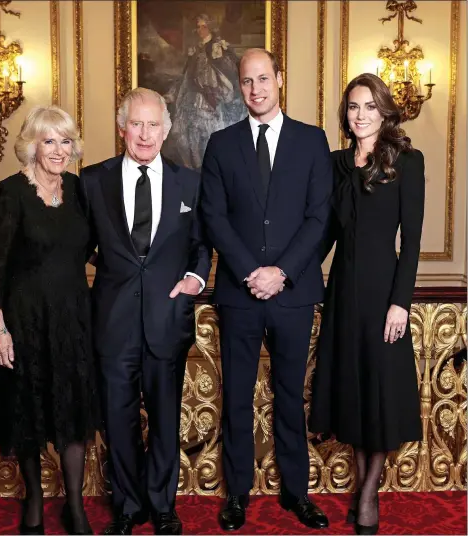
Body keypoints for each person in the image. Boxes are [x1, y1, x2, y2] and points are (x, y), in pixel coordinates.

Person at [200, 48, 332, 531]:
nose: (255, 88)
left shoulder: (312, 141)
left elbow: (320, 218)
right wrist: (250, 272)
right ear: (240, 86)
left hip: (293, 294)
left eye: (263, 78)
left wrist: (282, 273)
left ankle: (296, 493)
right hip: (239, 294)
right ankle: (236, 495)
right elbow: (213, 217)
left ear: (280, 78)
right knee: (235, 396)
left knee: (289, 396)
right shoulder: (221, 143)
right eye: (246, 81)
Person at [79, 88, 211, 536]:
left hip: (166, 320)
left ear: (167, 130)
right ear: (122, 128)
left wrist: (195, 279)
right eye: (136, 123)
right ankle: (128, 506)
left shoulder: (189, 182)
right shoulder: (92, 180)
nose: (145, 133)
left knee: (164, 419)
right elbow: (77, 244)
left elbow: (201, 246)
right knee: (118, 422)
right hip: (113, 324)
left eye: (153, 124)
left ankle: (162, 504)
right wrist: (115, 269)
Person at [309, 73, 425, 535]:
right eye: (353, 107)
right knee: (353, 395)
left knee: (378, 393)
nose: (360, 115)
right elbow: (324, 234)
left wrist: (400, 303)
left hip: (383, 296)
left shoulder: (407, 161)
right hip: (343, 292)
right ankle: (363, 483)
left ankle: (369, 491)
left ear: (384, 111)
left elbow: (412, 242)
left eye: (369, 107)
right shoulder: (336, 163)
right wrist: (286, 273)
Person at [0, 105, 99, 535]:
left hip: (72, 318)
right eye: (49, 140)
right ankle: (33, 500)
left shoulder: (80, 190)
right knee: (28, 412)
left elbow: (85, 249)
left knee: (72, 412)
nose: (58, 150)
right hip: (25, 320)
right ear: (31, 145)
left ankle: (75, 506)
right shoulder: (9, 193)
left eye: (65, 141)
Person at [164, 13, 247, 170]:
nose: (201, 30)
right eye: (198, 27)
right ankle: (194, 168)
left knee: (210, 132)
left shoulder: (219, 46)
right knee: (190, 132)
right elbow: (187, 74)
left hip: (214, 96)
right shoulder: (195, 50)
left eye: (204, 26)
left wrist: (214, 84)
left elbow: (230, 70)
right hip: (194, 96)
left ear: (210, 27)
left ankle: (212, 166)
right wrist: (174, 92)